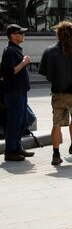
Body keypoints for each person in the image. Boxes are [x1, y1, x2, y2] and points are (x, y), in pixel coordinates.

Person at [39, 21, 72, 165]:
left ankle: (56, 155)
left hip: (57, 92)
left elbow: (45, 72)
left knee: (56, 124)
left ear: (58, 34)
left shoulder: (50, 51)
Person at [1, 24, 34, 161]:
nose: (23, 35)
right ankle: (10, 151)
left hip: (20, 91)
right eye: (20, 33)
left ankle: (17, 147)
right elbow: (10, 72)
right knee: (14, 121)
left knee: (21, 120)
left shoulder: (14, 50)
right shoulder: (9, 51)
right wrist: (24, 62)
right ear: (13, 36)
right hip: (14, 92)